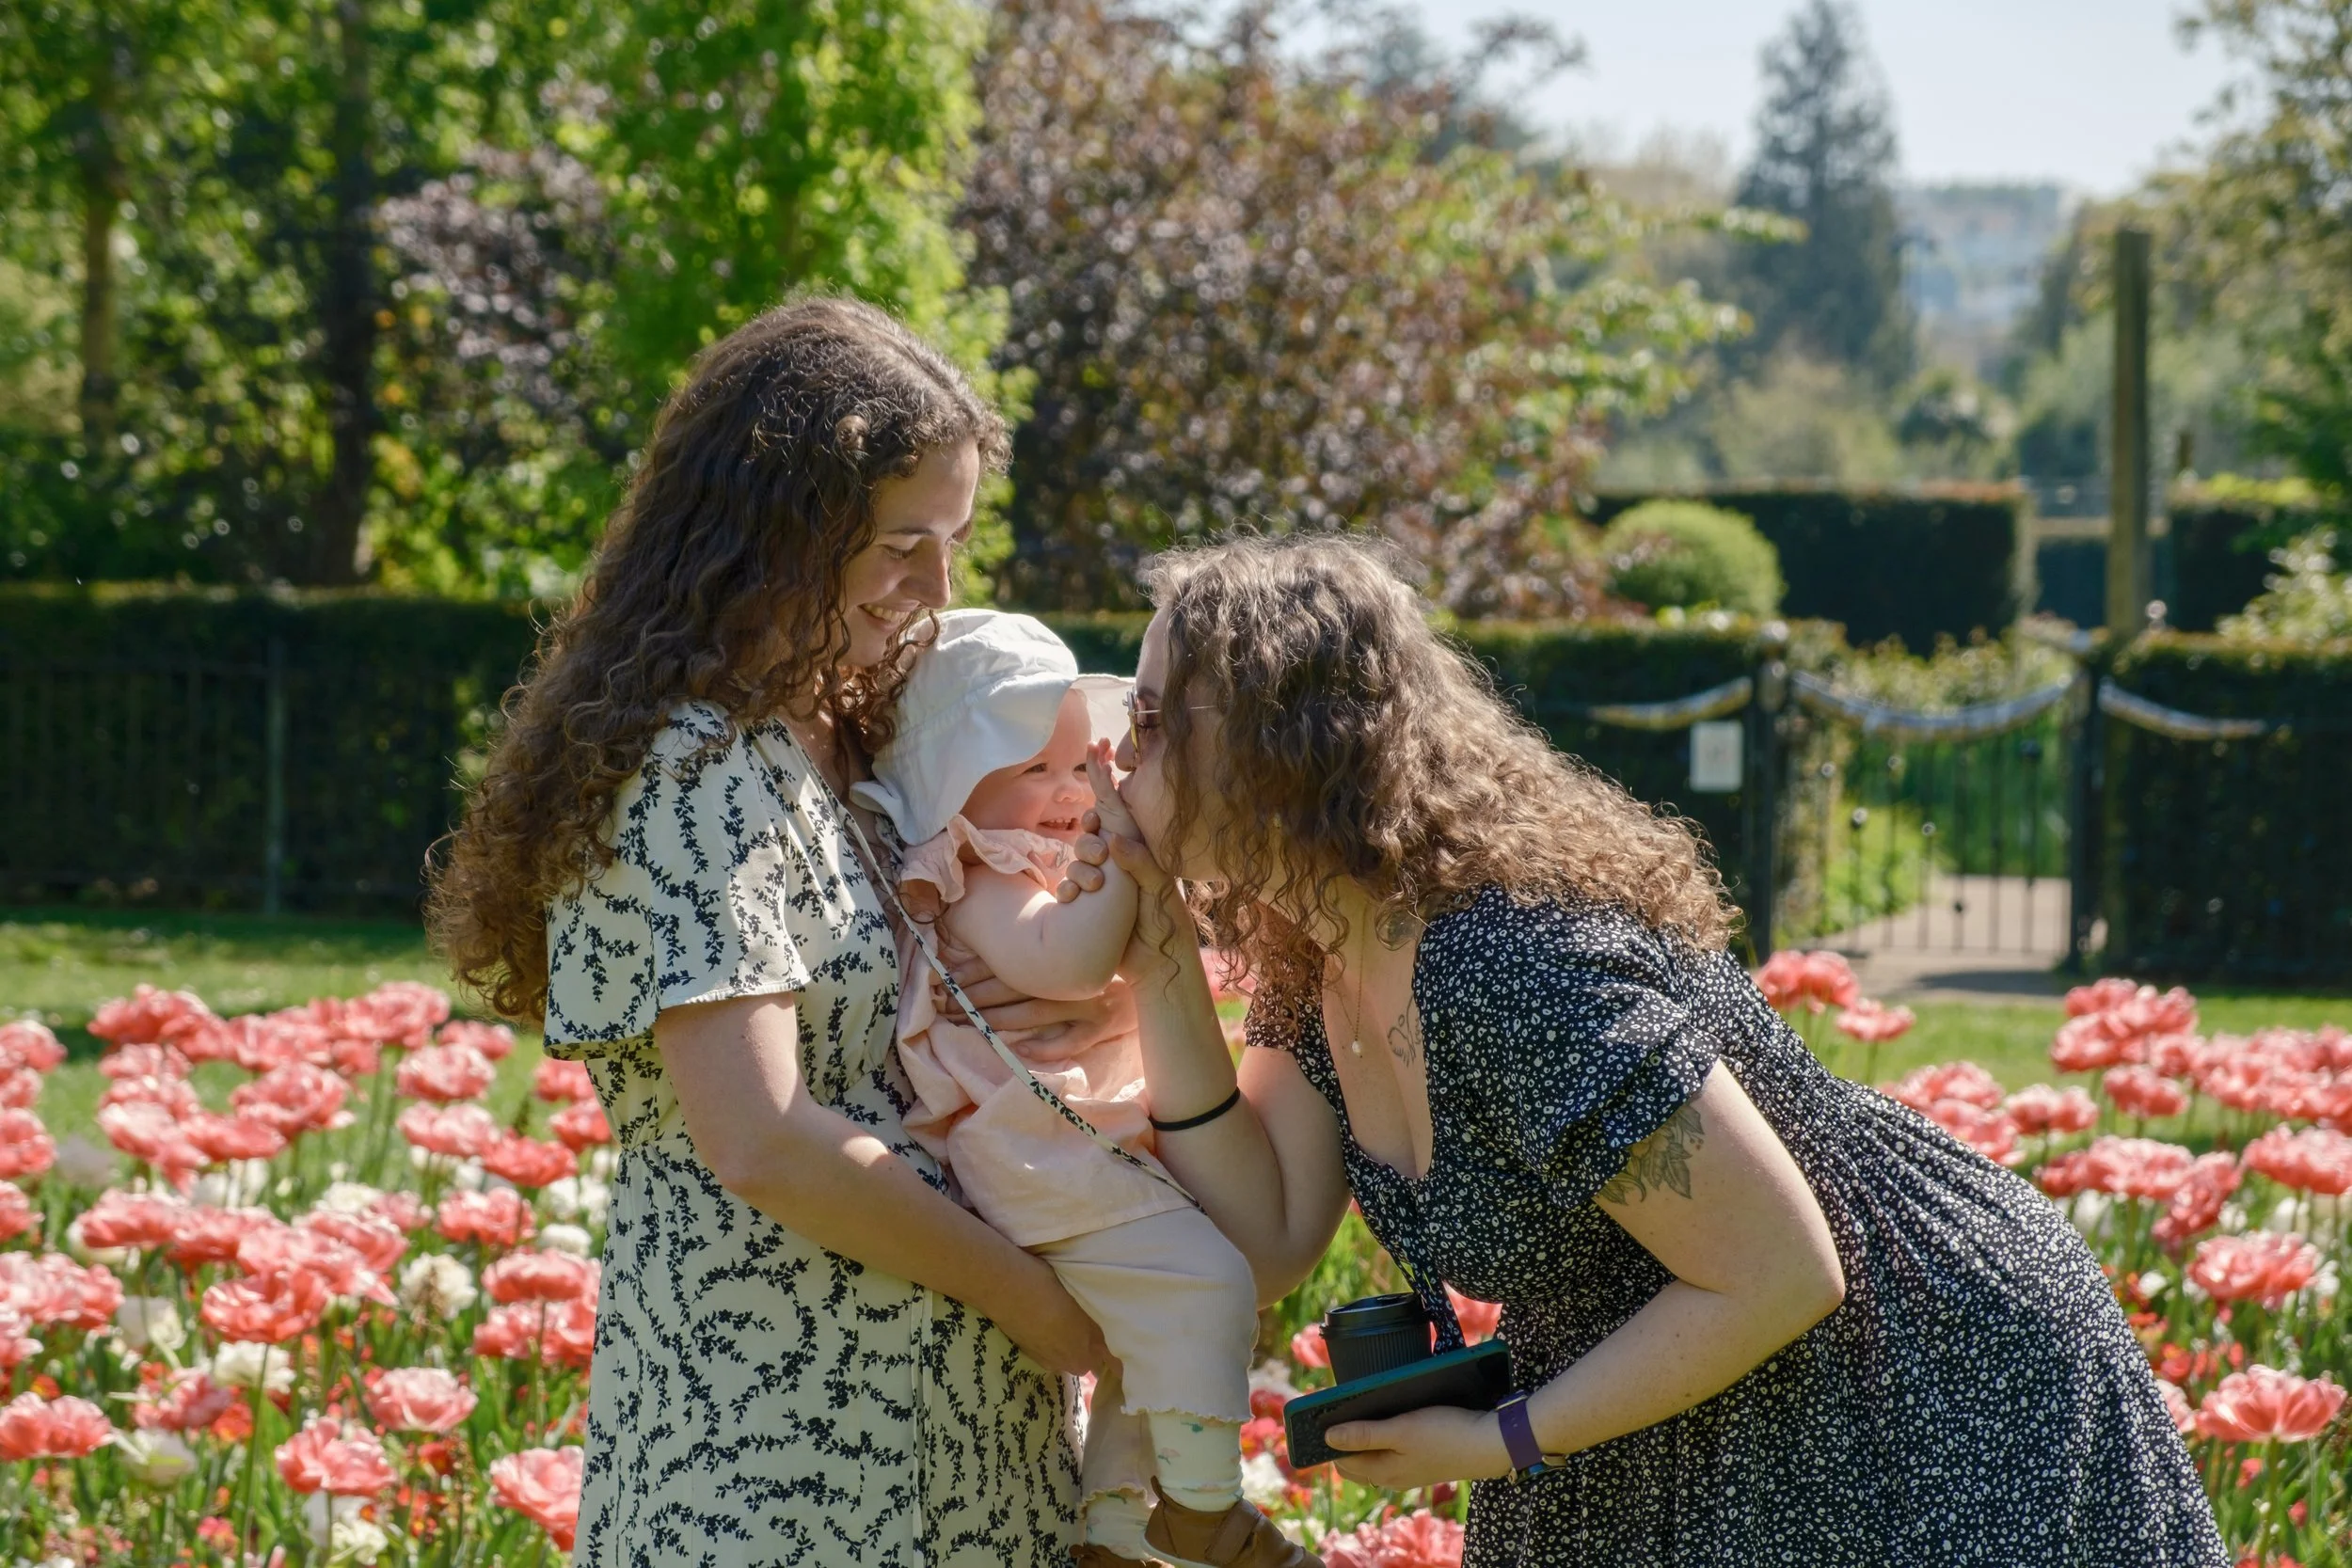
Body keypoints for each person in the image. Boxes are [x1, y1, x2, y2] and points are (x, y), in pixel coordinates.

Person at [1041, 533, 2226, 1565]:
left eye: (1147, 717)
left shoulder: (1503, 966)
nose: (1115, 751)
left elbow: (1778, 1270)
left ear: (1269, 742)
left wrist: (1498, 1437)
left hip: (1914, 1371)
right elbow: (1267, 1231)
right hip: (1666, 1382)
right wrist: (1155, 955)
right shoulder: (1316, 952)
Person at [426, 297, 1109, 1565]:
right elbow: (764, 1139)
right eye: (905, 543)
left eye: (952, 541)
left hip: (955, 1438)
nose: (938, 588)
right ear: (774, 531)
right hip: (767, 1452)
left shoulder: (845, 735)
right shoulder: (686, 766)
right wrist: (1035, 1300)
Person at [851, 608, 1312, 1568]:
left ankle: (1111, 1523)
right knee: (1203, 1279)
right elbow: (1065, 963)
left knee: (1148, 1323)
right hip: (1030, 1139)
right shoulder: (977, 869)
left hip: (1070, 1127)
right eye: (1034, 768)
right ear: (955, 781)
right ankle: (1202, 1507)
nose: (1069, 790)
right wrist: (1117, 871)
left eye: (1079, 765)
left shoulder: (1043, 858)